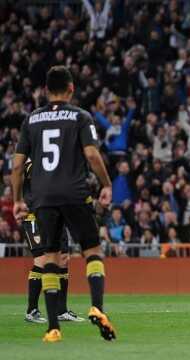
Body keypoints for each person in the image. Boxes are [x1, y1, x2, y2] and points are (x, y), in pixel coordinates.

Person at [12, 66, 115, 342]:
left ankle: (53, 328)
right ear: (72, 89)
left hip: (43, 199)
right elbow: (92, 155)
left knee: (49, 259)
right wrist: (106, 184)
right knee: (92, 250)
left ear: (46, 90)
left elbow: (18, 164)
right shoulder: (80, 117)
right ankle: (97, 307)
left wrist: (17, 199)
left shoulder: (31, 119)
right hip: (74, 193)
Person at [22, 160, 84, 323]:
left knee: (63, 260)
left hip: (57, 214)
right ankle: (32, 310)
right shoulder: (33, 161)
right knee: (42, 260)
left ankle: (61, 311)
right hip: (35, 215)